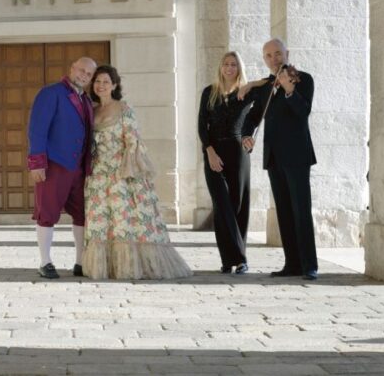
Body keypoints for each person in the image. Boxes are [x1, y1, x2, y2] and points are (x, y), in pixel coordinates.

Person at [82, 65, 192, 280]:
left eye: (106, 81)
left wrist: (129, 174)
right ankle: (106, 267)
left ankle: (130, 266)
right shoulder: (91, 110)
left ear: (114, 85)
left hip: (121, 173)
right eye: (97, 81)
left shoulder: (124, 109)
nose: (101, 85)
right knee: (101, 223)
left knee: (125, 222)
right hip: (97, 175)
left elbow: (133, 141)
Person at [242, 38, 318, 280]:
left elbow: (303, 111)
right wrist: (246, 133)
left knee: (301, 210)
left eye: (277, 54)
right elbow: (253, 116)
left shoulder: (303, 79)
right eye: (268, 56)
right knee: (284, 212)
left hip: (297, 155)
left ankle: (309, 266)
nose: (274, 59)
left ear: (287, 53)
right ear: (265, 59)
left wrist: (289, 89)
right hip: (274, 157)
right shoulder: (266, 85)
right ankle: (292, 264)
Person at [28, 56, 97, 279]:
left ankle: (80, 262)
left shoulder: (86, 100)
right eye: (81, 70)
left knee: (82, 215)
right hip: (54, 165)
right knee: (47, 213)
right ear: (72, 69)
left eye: (89, 74)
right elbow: (37, 129)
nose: (84, 75)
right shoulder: (51, 93)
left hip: (79, 168)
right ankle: (45, 261)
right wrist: (37, 163)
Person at [199, 51, 262, 275]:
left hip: (239, 153)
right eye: (225, 64)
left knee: (239, 206)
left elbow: (273, 84)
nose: (229, 68)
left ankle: (234, 260)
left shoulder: (248, 92)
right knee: (222, 205)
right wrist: (209, 152)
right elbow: (201, 126)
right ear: (220, 67)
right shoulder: (209, 92)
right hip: (214, 153)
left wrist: (251, 83)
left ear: (239, 68)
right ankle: (236, 258)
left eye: (234, 64)